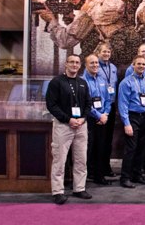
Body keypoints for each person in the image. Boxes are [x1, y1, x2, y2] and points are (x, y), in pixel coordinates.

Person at [45, 55, 93, 204]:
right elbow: (51, 105)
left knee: (81, 159)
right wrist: (68, 119)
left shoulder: (83, 83)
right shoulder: (56, 82)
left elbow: (88, 103)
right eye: (71, 62)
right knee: (59, 160)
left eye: (77, 62)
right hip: (63, 125)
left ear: (80, 65)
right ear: (66, 64)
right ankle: (58, 192)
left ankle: (79, 188)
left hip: (81, 126)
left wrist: (83, 118)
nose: (74, 64)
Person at [118, 55, 145, 188]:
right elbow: (122, 104)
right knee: (131, 149)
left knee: (142, 148)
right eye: (139, 64)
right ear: (133, 65)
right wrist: (126, 123)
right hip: (132, 117)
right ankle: (125, 178)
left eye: (143, 64)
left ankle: (137, 175)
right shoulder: (126, 83)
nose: (141, 66)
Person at [82, 54, 112, 185]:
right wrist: (99, 115)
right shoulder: (82, 81)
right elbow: (86, 104)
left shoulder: (101, 80)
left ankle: (99, 176)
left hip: (102, 119)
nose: (95, 65)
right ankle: (84, 177)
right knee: (87, 149)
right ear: (86, 65)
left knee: (101, 148)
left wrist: (105, 114)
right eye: (92, 63)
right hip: (89, 120)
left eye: (96, 63)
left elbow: (108, 99)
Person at [95, 42, 118, 177]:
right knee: (99, 140)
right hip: (98, 108)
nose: (106, 54)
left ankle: (106, 166)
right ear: (98, 52)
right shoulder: (94, 66)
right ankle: (95, 169)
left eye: (108, 52)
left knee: (108, 139)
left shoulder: (113, 68)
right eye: (104, 51)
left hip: (111, 106)